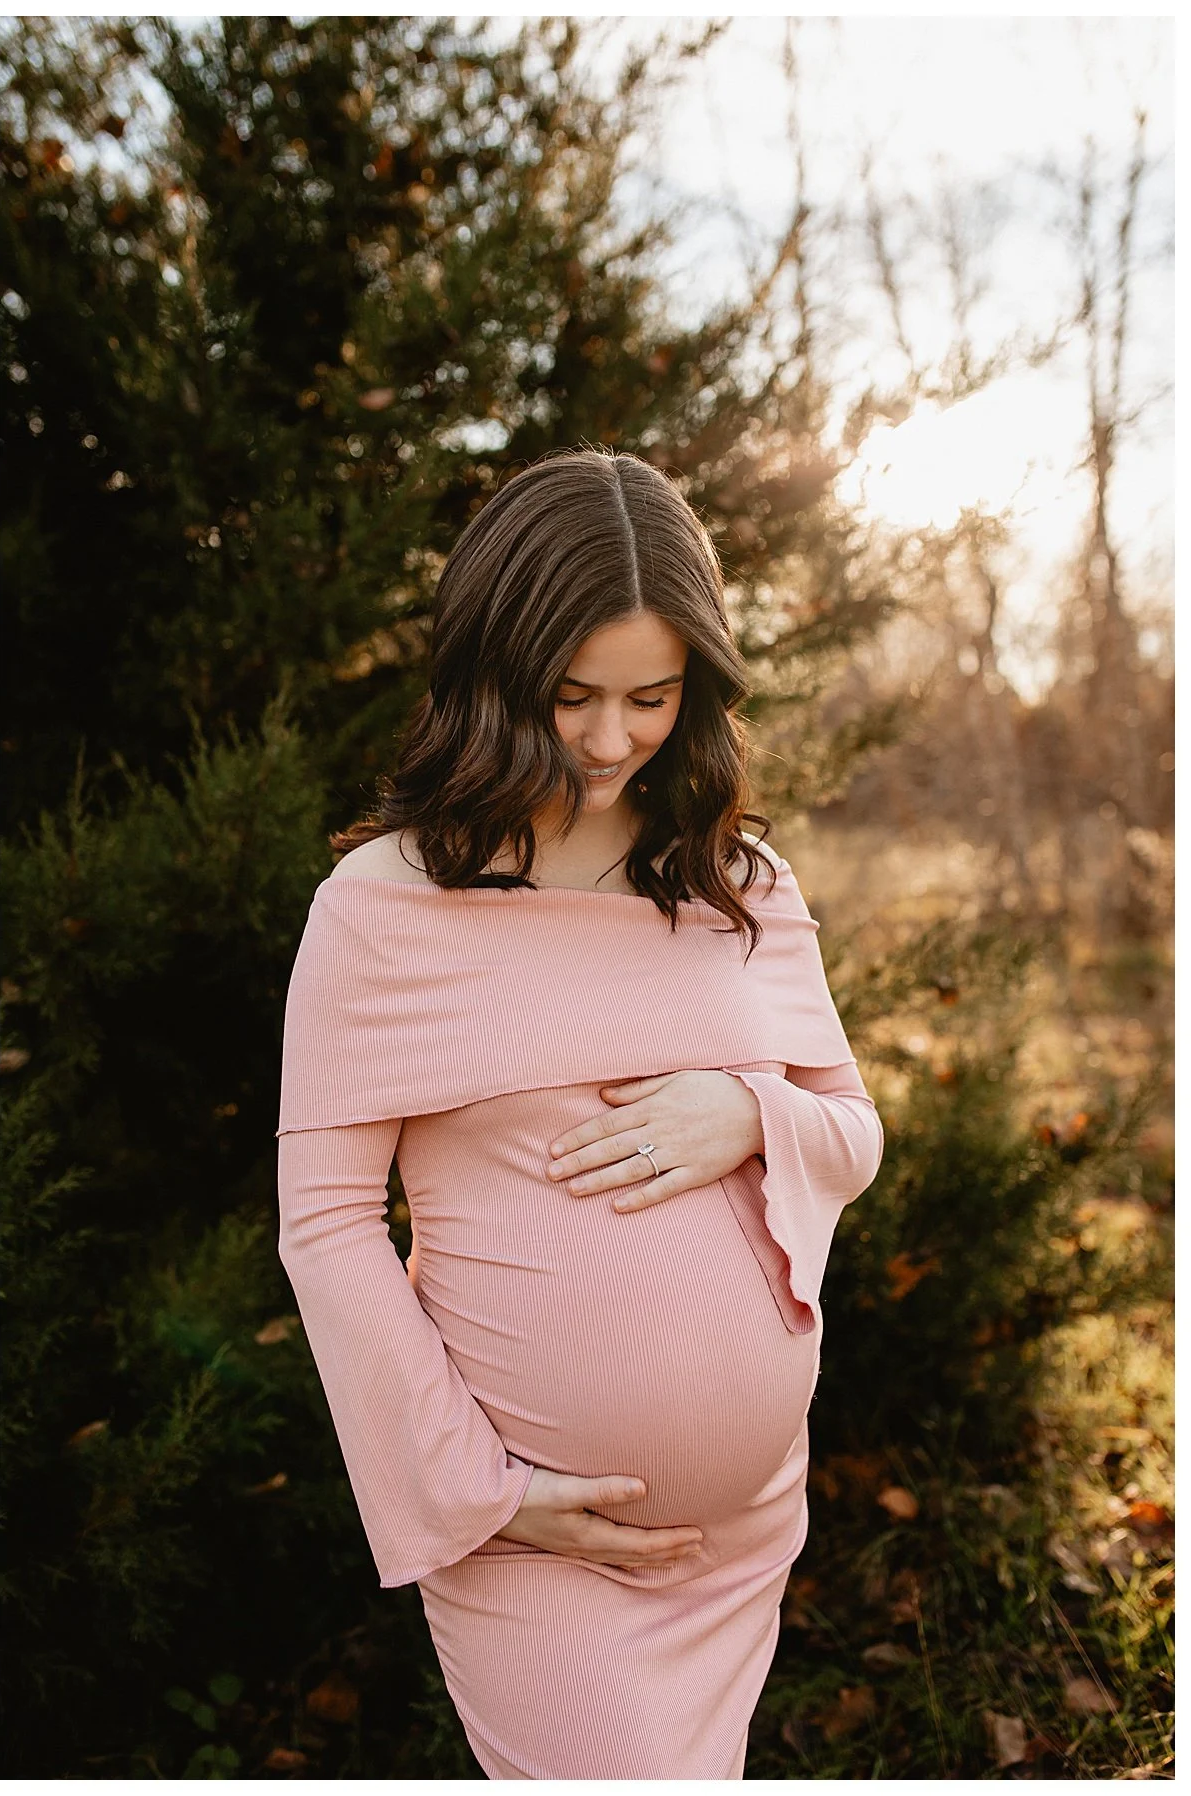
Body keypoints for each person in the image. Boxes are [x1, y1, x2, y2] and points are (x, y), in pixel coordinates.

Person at [276, 449, 884, 1777]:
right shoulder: (386, 910)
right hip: (533, 1531)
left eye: (652, 697)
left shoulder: (742, 884)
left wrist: (749, 1114)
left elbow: (853, 1129)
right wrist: (474, 1497)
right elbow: (325, 1229)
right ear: (495, 674)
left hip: (740, 1530)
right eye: (571, 697)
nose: (613, 741)